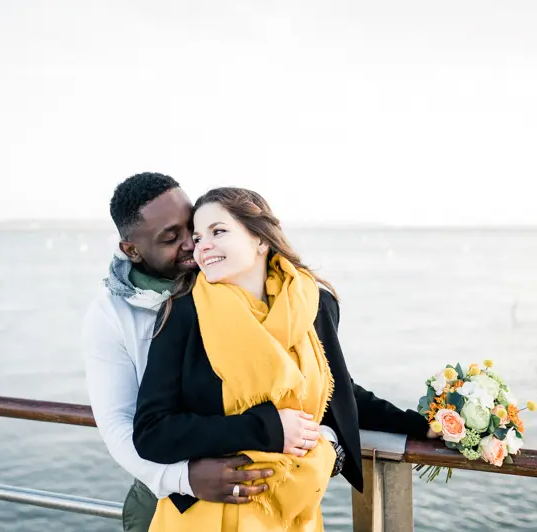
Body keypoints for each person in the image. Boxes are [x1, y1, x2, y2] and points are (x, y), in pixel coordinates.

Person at [133, 187, 437, 531]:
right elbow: (151, 433)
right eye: (199, 236)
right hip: (209, 515)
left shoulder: (314, 306)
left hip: (295, 513)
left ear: (260, 240)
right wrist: (269, 429)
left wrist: (424, 426)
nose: (201, 246)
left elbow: (339, 391)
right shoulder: (184, 314)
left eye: (218, 231)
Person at [83, 173, 305, 532]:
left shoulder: (231, 281)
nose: (192, 245)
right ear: (132, 250)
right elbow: (119, 426)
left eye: (194, 229)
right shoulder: (111, 315)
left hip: (257, 495)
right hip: (166, 498)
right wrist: (185, 478)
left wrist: (325, 440)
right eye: (171, 238)